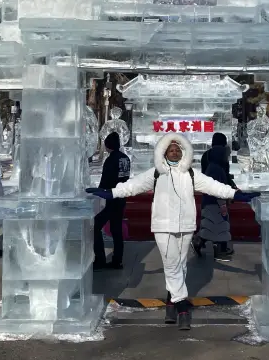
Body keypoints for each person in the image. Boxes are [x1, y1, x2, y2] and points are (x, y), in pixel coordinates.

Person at [86, 133, 259, 331]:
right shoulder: (156, 173)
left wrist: (237, 194)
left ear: (183, 152)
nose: (174, 152)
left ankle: (171, 302)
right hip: (163, 226)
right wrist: (111, 193)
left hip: (185, 226)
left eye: (177, 149)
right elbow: (132, 186)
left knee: (180, 265)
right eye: (171, 149)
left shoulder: (191, 175)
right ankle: (182, 306)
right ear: (164, 152)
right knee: (171, 264)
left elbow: (214, 187)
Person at [193, 133, 238, 261]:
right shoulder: (222, 156)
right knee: (221, 220)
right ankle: (220, 249)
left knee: (210, 220)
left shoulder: (206, 156)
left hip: (208, 192)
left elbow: (204, 174)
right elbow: (225, 175)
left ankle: (201, 242)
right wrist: (231, 188)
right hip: (219, 193)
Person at [93, 132, 131, 270]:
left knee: (95, 226)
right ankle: (117, 260)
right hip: (122, 197)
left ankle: (100, 259)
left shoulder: (111, 160)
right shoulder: (125, 158)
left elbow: (106, 180)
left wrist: (98, 191)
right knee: (116, 230)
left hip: (112, 197)